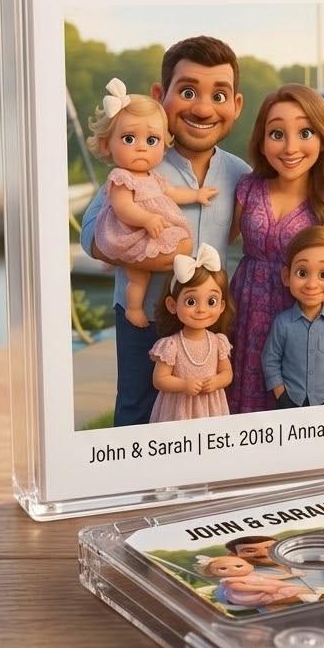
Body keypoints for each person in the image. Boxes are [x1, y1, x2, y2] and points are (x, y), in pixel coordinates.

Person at [80, 37, 249, 426]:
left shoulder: (240, 174)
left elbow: (241, 235)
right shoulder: (139, 163)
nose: (203, 108)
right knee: (139, 407)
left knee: (202, 411)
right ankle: (137, 486)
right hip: (143, 316)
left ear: (236, 106)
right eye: (188, 91)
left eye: (219, 95)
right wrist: (152, 254)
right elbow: (91, 235)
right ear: (160, 95)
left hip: (205, 319)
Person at [227, 84, 324, 414]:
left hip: (297, 320)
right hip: (242, 313)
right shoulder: (247, 189)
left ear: (323, 138)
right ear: (262, 140)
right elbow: (216, 239)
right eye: (277, 133)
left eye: (305, 131)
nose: (291, 147)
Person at [85, 78, 215, 327]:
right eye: (129, 139)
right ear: (106, 144)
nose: (141, 148)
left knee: (148, 268)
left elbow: (174, 193)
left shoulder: (154, 178)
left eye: (151, 140)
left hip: (149, 231)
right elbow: (123, 207)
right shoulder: (120, 177)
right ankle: (134, 309)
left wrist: (197, 195)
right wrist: (146, 219)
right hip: (131, 231)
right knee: (137, 277)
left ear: (164, 142)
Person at [262, 226, 324, 409]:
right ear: (287, 276)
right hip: (288, 402)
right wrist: (281, 394)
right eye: (302, 273)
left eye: (323, 274)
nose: (311, 284)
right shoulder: (282, 323)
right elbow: (270, 359)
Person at [149, 244, 234, 422]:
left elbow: (227, 373)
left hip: (211, 408)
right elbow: (160, 379)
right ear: (172, 305)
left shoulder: (218, 342)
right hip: (179, 410)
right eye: (190, 301)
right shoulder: (171, 345)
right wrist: (183, 385)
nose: (201, 309)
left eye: (211, 301)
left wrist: (217, 381)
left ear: (222, 306)